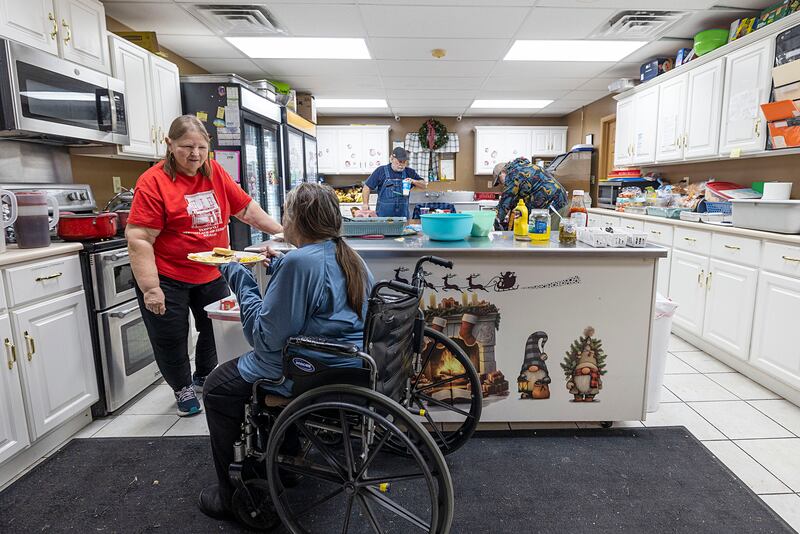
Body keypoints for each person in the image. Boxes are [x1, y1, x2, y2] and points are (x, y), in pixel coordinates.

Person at [198, 182, 374, 519]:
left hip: (309, 369)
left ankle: (230, 494)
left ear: (296, 219)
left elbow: (265, 339)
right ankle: (285, 462)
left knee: (217, 388)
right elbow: (321, 297)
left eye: (285, 213)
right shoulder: (348, 255)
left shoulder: (300, 264)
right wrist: (281, 266)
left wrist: (238, 276)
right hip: (348, 362)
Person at [127, 115, 282, 417]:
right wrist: (150, 288)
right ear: (169, 144)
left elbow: (247, 209)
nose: (195, 154)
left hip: (213, 269)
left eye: (201, 147)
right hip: (167, 275)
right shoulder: (153, 182)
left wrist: (282, 233)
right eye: (186, 147)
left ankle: (203, 375)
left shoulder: (214, 173)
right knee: (170, 335)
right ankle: (182, 387)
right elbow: (140, 238)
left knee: (214, 328)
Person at [492, 157, 568, 230]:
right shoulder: (521, 167)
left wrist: (492, 221)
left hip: (554, 204)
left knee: (550, 238)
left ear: (502, 173)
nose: (502, 184)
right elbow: (515, 200)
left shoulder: (512, 175)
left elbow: (504, 205)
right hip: (556, 199)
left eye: (499, 181)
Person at [361, 147, 427, 218]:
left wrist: (413, 181)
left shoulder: (409, 172)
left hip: (403, 217)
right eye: (399, 162)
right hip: (383, 217)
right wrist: (365, 204)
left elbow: (424, 185)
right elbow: (366, 187)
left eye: (404, 162)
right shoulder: (380, 171)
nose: (401, 165)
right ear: (391, 159)